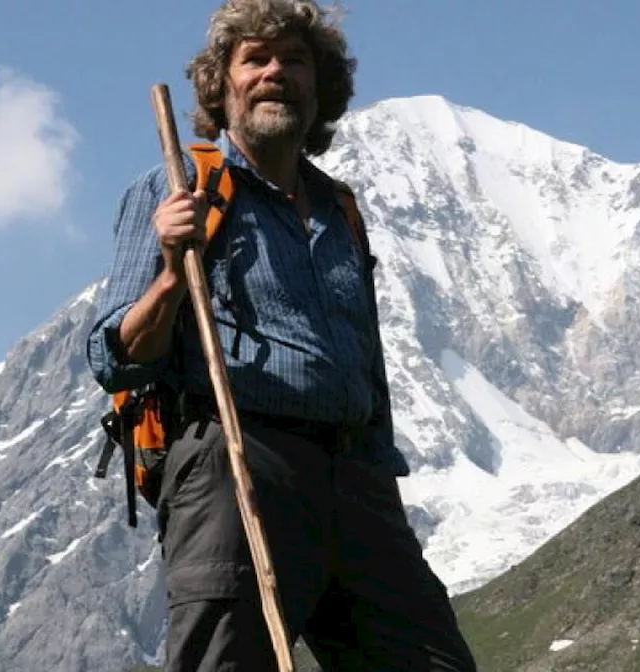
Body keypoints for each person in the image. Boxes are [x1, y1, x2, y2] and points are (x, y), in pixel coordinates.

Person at [87, 0, 477, 670]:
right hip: (239, 461)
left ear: (319, 86)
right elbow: (113, 357)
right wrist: (173, 273)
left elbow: (368, 366)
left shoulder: (340, 212)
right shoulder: (176, 188)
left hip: (356, 480)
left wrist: (379, 476)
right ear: (221, 84)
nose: (276, 73)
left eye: (295, 60)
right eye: (256, 58)